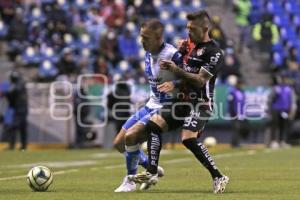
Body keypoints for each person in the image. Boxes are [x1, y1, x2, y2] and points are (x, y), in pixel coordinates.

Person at [127, 10, 229, 194]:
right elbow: (184, 76)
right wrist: (173, 80)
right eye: (187, 28)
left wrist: (176, 70)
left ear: (205, 28)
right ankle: (151, 171)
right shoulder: (188, 46)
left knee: (187, 139)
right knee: (153, 124)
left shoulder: (215, 53)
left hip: (201, 103)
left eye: (192, 29)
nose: (188, 32)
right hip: (182, 102)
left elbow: (199, 80)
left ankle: (218, 176)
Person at [113, 19, 183, 192]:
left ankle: (130, 180)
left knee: (131, 136)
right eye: (141, 36)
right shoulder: (147, 53)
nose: (141, 41)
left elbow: (191, 77)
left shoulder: (173, 55)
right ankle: (152, 168)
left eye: (146, 37)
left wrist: (175, 83)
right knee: (119, 143)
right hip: (151, 104)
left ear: (158, 37)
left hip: (167, 107)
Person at [1, 70, 28, 150]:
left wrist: (4, 93)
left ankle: (12, 146)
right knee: (22, 128)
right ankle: (23, 147)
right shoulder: (19, 84)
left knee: (13, 127)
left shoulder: (19, 85)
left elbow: (13, 91)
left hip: (20, 110)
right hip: (20, 109)